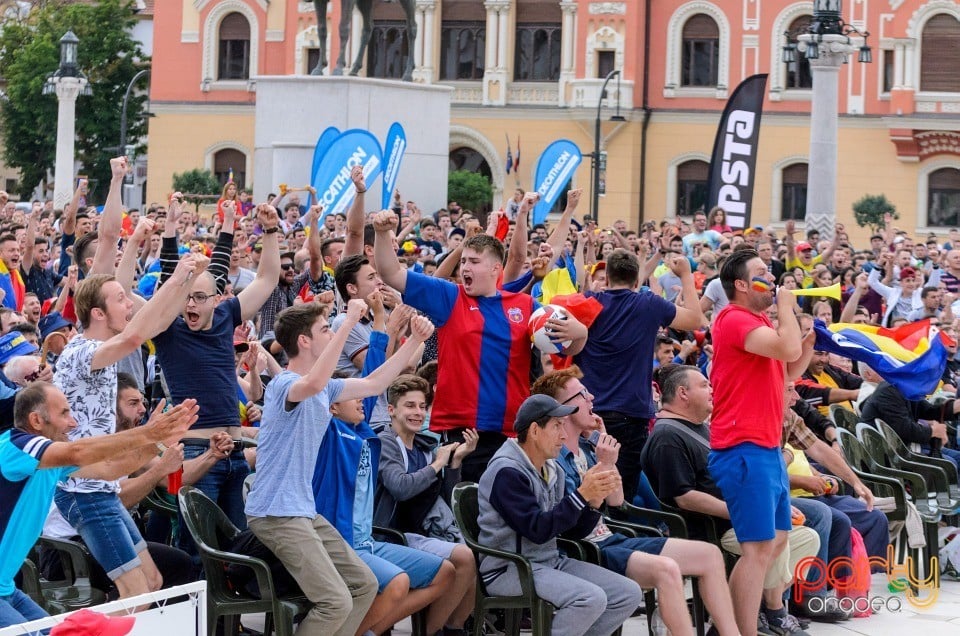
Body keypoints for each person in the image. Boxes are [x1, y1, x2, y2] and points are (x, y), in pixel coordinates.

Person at [372, 203, 588, 482]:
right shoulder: (450, 297)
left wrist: (580, 332)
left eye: (474, 262)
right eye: (463, 261)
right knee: (466, 514)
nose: (465, 268)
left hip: (514, 433)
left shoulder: (525, 306)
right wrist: (380, 233)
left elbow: (568, 349)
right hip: (464, 434)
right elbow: (392, 274)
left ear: (496, 268)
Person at [245, 298, 420, 636]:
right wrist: (351, 320)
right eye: (325, 329)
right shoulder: (285, 384)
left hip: (302, 512)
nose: (332, 333)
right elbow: (309, 385)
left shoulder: (325, 387)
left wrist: (414, 340)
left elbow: (374, 385)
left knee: (365, 586)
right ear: (304, 341)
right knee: (335, 601)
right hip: (275, 513)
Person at [532, 366, 739, 636]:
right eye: (583, 395)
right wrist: (604, 463)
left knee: (709, 555)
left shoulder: (587, 449)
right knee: (666, 570)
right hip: (584, 548)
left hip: (609, 537)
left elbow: (617, 501)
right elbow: (574, 522)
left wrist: (605, 457)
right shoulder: (554, 459)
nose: (592, 398)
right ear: (563, 409)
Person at [52, 253, 206, 601]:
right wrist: (177, 274)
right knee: (135, 593)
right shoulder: (80, 351)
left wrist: (186, 281)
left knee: (151, 583)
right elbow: (136, 337)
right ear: (98, 313)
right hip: (81, 492)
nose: (129, 303)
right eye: (121, 298)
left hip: (99, 489)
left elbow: (158, 323)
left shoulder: (101, 350)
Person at [640, 365, 821, 635]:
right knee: (772, 540)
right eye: (704, 385)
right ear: (682, 393)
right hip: (709, 528)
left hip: (735, 516)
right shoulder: (668, 436)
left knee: (805, 537)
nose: (712, 390)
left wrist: (763, 506)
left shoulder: (701, 427)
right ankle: (751, 616)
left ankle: (752, 610)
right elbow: (685, 497)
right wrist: (743, 512)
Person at [0, 383, 197, 627]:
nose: (73, 423)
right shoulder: (16, 446)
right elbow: (78, 451)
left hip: (5, 587)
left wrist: (157, 442)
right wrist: (149, 432)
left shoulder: (49, 459)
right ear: (36, 420)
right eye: (64, 413)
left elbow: (108, 469)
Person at [152, 203, 281, 545]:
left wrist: (269, 231)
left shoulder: (227, 316)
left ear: (217, 299)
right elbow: (125, 288)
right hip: (193, 454)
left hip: (235, 454)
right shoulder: (166, 329)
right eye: (185, 297)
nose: (190, 305)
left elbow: (268, 278)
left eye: (198, 297)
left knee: (237, 548)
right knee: (196, 550)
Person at [708, 248, 814, 636]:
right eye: (762, 273)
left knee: (775, 542)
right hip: (744, 448)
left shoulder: (756, 324)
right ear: (740, 284)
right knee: (757, 550)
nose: (771, 279)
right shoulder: (734, 318)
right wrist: (786, 307)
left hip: (765, 448)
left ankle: (730, 627)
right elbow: (786, 349)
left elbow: (788, 368)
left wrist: (809, 342)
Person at [478, 394, 642, 636]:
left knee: (627, 593)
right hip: (510, 568)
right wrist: (581, 495)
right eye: (557, 426)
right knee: (589, 598)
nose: (564, 435)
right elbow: (537, 530)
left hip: (548, 562)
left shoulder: (551, 468)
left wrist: (593, 503)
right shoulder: (507, 471)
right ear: (534, 430)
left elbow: (571, 532)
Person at [575, 247, 703, 503]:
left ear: (607, 278)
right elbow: (695, 320)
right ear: (637, 282)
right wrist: (686, 275)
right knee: (621, 497)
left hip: (588, 414)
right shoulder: (647, 303)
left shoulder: (587, 302)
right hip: (629, 416)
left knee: (590, 489)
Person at [376, 374, 478, 635]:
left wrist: (455, 463)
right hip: (389, 534)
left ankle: (453, 628)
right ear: (391, 410)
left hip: (421, 531)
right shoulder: (385, 442)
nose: (418, 413)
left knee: (468, 553)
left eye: (422, 406)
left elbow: (442, 498)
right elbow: (399, 487)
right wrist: (437, 465)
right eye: (410, 405)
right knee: (463, 556)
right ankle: (430, 632)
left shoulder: (424, 446)